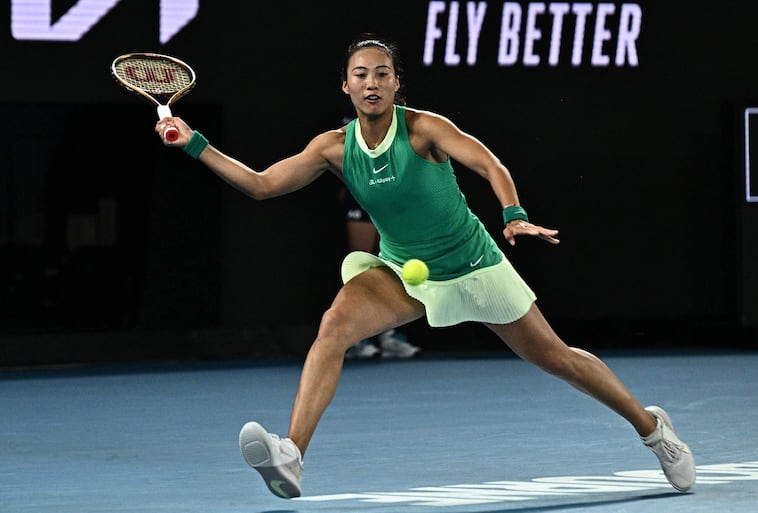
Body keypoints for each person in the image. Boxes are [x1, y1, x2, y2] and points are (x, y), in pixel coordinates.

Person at [154, 34, 696, 499]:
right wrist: (193, 143)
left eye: (382, 74)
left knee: (556, 358)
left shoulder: (425, 129)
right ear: (345, 87)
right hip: (403, 270)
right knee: (334, 326)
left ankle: (653, 430)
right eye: (360, 74)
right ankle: (292, 453)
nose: (371, 82)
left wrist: (513, 213)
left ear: (395, 85)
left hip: (474, 264)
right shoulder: (332, 149)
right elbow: (263, 185)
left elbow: (489, 163)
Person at [339, 187, 421, 359]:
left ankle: (387, 335)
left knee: (389, 267)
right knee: (361, 269)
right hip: (362, 193)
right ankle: (356, 337)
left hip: (394, 195)